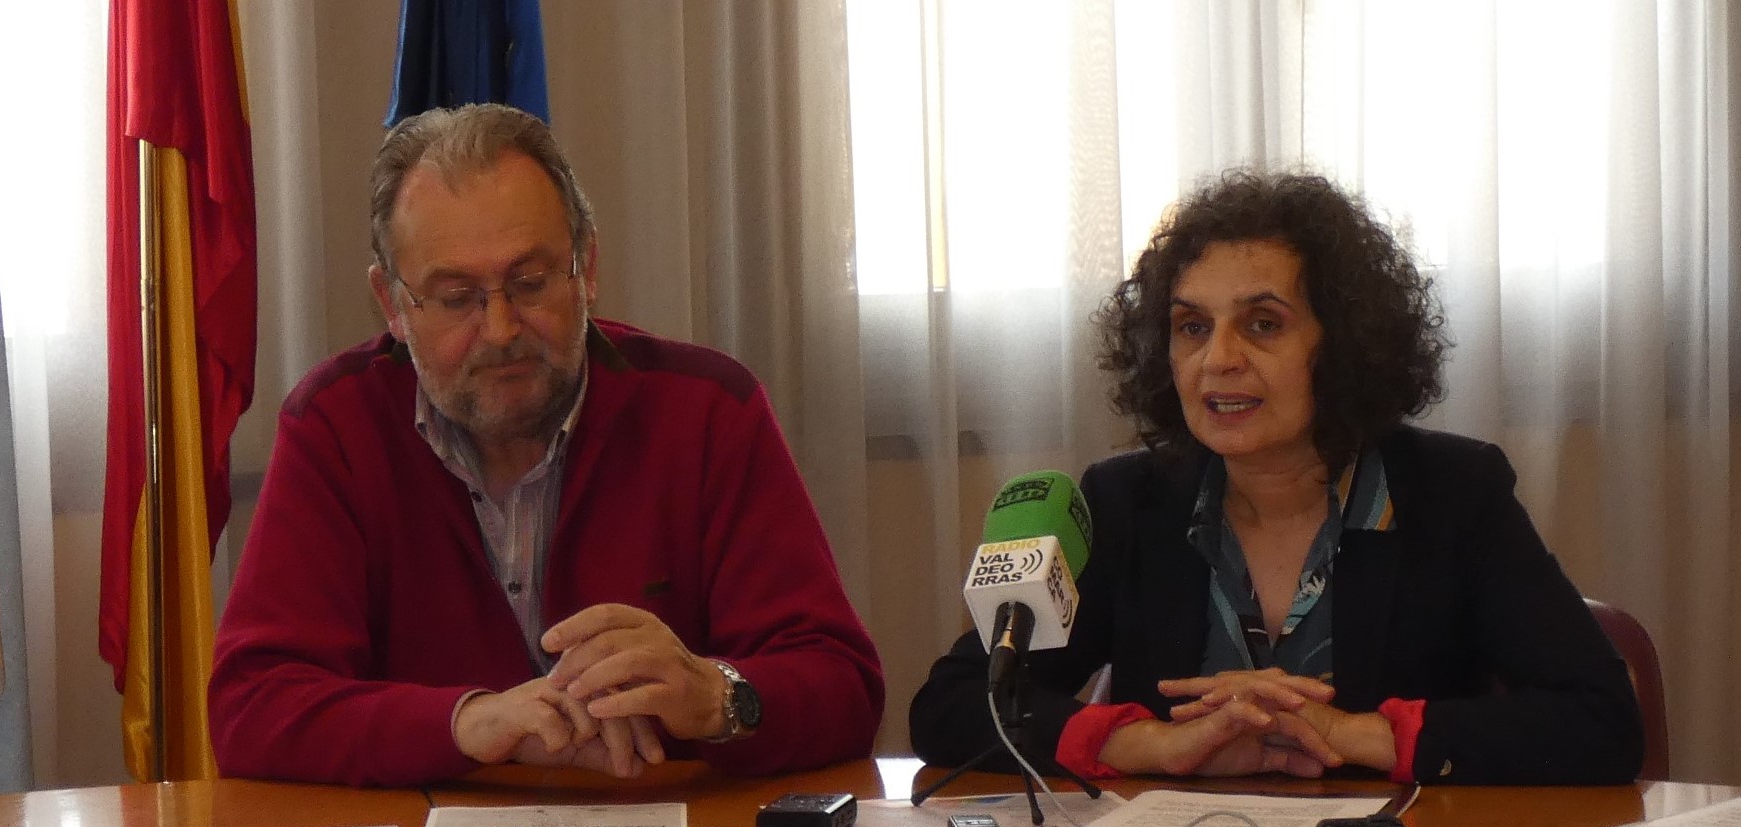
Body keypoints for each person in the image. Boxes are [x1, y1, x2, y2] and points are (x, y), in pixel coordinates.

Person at [209, 105, 880, 787]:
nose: (501, 329)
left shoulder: (706, 410)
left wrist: (716, 696)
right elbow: (251, 706)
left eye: (529, 283)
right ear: (393, 304)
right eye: (456, 297)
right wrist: (470, 725)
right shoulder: (337, 425)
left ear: (586, 268)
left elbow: (844, 684)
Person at [907, 170, 1641, 787]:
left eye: (1262, 324)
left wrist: (1350, 733)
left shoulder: (1453, 494)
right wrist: (1148, 743)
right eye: (1192, 327)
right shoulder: (1126, 503)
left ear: (1344, 344)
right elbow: (953, 702)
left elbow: (1601, 719)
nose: (1217, 359)